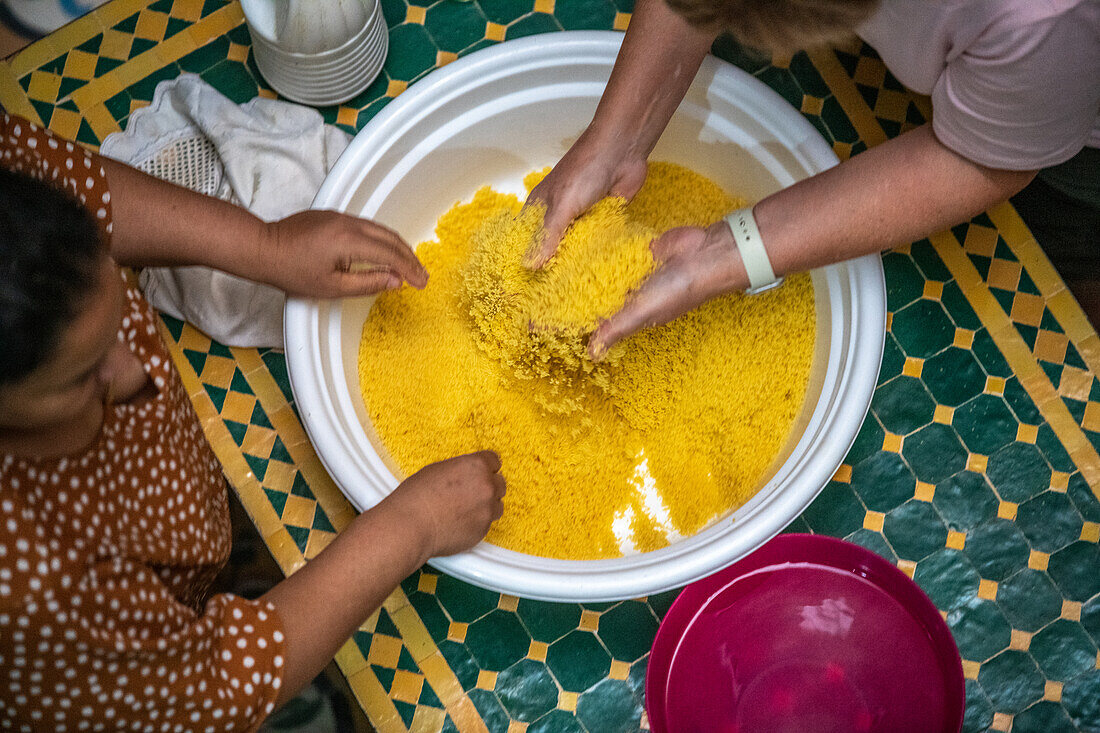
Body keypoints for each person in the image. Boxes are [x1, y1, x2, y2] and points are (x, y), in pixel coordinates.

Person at [0, 112, 506, 731]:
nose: (137, 371)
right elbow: (212, 690)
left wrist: (266, 245)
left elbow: (75, 184)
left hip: (175, 529)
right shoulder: (36, 591)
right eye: (81, 378)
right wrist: (413, 526)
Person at [524, 0, 1100, 354]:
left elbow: (983, 159)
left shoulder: (1044, 18)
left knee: (1058, 265)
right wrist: (613, 142)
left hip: (1066, 124)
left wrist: (720, 258)